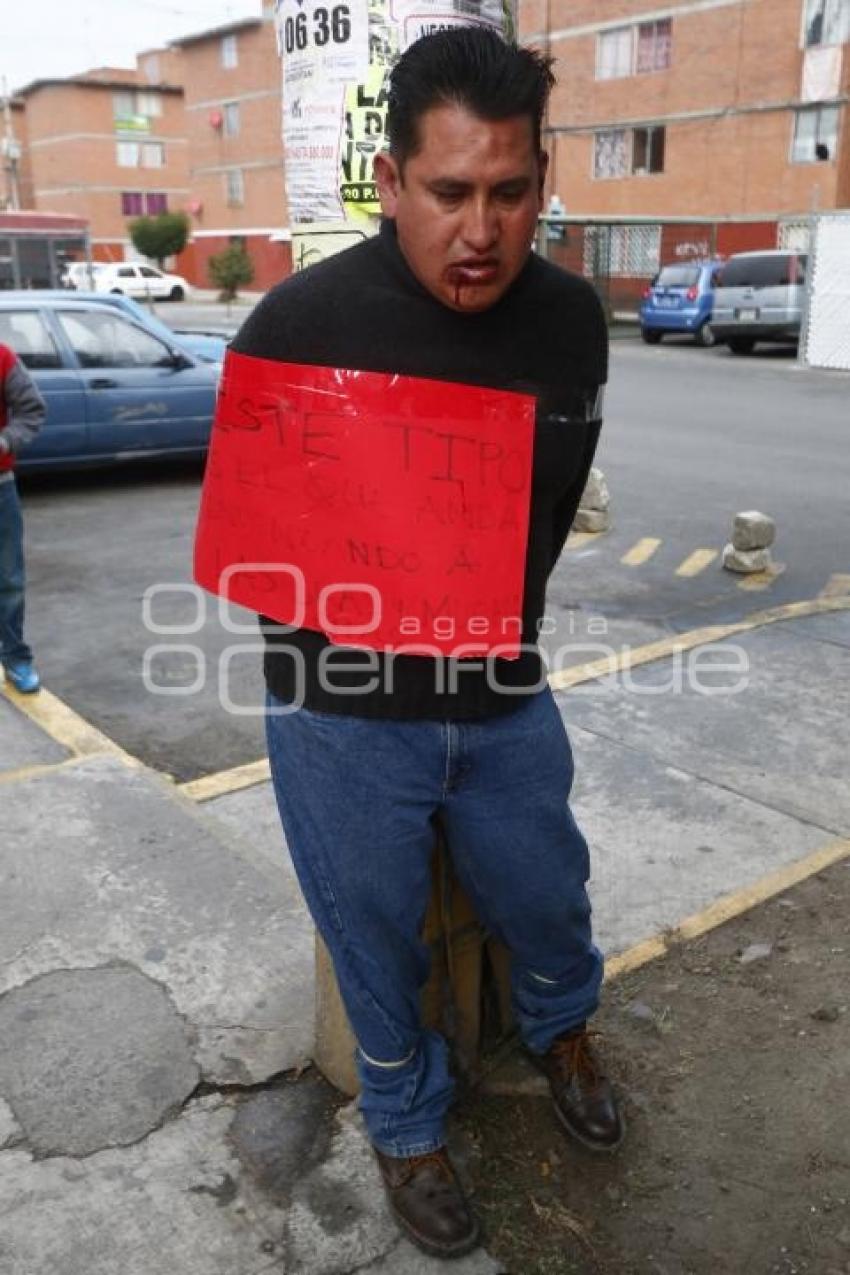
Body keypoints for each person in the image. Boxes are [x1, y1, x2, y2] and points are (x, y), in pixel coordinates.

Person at [228, 27, 623, 1259]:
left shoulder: (570, 322)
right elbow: (256, 557)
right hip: (339, 708)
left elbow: (550, 511)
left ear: (543, 183)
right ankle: (404, 1118)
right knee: (372, 928)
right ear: (391, 182)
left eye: (510, 194)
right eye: (449, 192)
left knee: (546, 893)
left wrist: (482, 629)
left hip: (501, 687)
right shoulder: (293, 327)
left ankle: (563, 1027)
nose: (480, 229)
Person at [0, 343, 45, 694]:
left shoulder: (2, 358)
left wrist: (4, 442)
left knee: (9, 580)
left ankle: (15, 656)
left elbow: (31, 410)